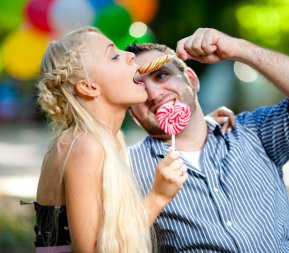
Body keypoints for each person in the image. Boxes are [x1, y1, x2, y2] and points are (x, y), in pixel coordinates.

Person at [126, 28, 289, 252]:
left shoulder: (252, 131)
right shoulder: (126, 168)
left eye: (161, 75)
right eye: (139, 88)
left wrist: (239, 49)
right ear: (133, 114)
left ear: (191, 80)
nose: (154, 94)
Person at [33, 26, 193, 253]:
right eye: (115, 56)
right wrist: (157, 197)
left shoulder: (106, 141)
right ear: (89, 87)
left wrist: (209, 123)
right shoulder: (84, 146)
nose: (129, 56)